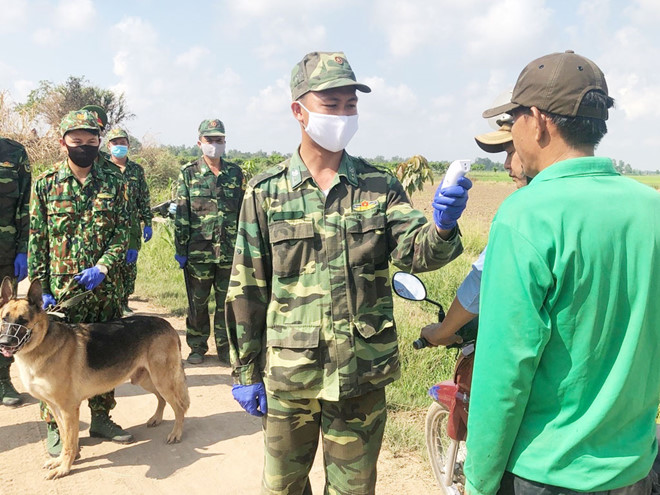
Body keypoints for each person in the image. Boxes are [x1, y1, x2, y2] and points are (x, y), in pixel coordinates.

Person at [226, 51, 472, 494]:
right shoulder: (266, 192)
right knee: (282, 487)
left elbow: (416, 254)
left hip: (361, 374)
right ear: (298, 111)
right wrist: (245, 370)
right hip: (290, 374)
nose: (343, 114)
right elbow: (247, 286)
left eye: (350, 105)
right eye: (331, 104)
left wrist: (442, 225)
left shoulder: (379, 187)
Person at [464, 51, 660, 495]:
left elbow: (504, 371)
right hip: (633, 467)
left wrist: (478, 482)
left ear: (536, 121)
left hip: (547, 471)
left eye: (512, 118)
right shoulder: (651, 208)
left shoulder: (526, 215)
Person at [29, 109, 133, 457]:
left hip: (103, 286)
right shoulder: (46, 183)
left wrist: (103, 266)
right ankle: (54, 424)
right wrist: (39, 289)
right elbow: (37, 238)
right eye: (78, 141)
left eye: (92, 141)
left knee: (106, 353)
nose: (85, 147)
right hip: (60, 292)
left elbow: (123, 232)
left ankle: (102, 417)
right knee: (50, 359)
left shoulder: (115, 181)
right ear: (64, 143)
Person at [420, 117, 528, 346]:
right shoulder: (618, 198)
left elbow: (484, 278)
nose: (507, 164)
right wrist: (442, 227)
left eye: (511, 152)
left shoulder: (523, 212)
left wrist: (443, 331)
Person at [174, 119, 245, 365]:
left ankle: (226, 348)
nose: (214, 145)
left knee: (228, 302)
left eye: (219, 140)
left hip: (230, 250)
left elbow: (243, 212)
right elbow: (182, 213)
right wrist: (180, 248)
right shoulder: (188, 172)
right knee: (198, 302)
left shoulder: (235, 173)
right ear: (199, 143)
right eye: (210, 140)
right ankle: (197, 347)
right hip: (198, 251)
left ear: (225, 142)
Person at [105, 127, 153, 315]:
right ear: (109, 146)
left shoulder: (136, 170)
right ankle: (111, 304)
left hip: (132, 228)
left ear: (128, 145)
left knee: (129, 267)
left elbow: (143, 198)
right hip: (109, 226)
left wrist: (147, 222)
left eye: (122, 143)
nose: (119, 146)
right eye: (115, 143)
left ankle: (124, 302)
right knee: (110, 266)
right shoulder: (102, 168)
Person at [0, 136, 31, 406]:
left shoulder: (14, 152)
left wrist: (23, 248)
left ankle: (2, 380)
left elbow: (24, 205)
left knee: (6, 319)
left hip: (5, 253)